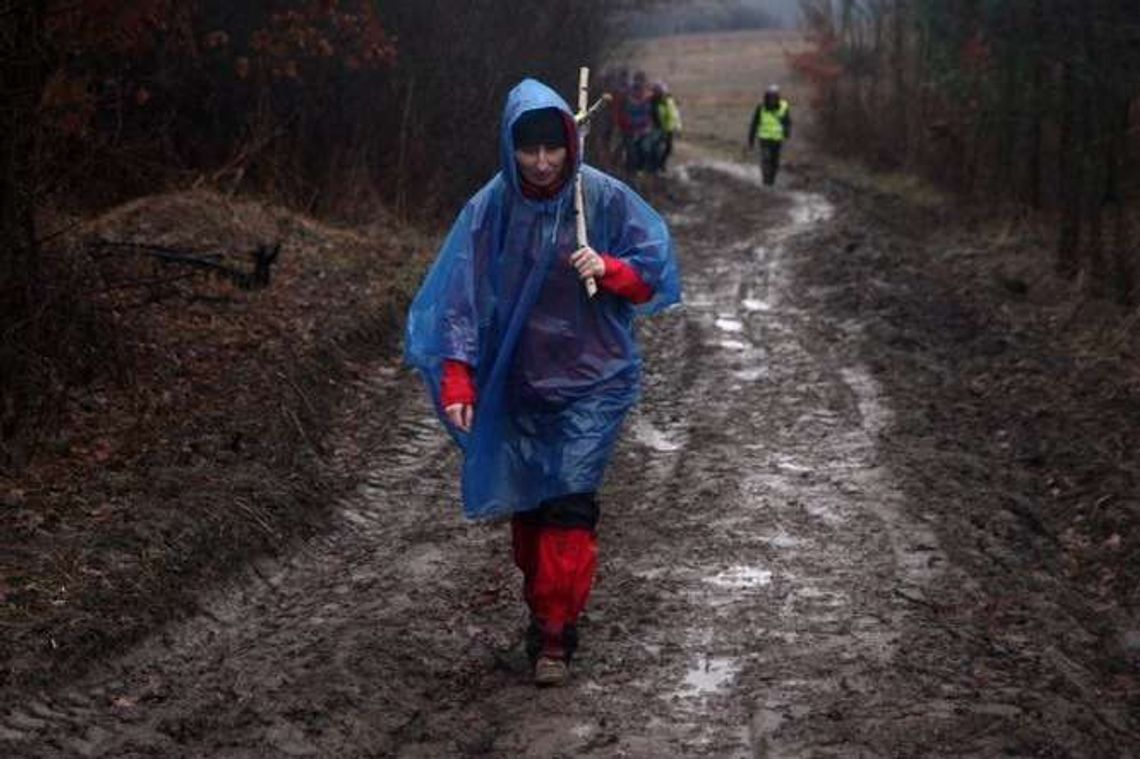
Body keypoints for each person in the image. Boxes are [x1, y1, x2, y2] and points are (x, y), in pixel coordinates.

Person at [404, 78, 681, 687]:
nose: (542, 162)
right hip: (519, 380)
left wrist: (608, 268)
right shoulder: (490, 209)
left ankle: (556, 633)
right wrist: (457, 378)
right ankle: (542, 608)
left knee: (569, 504)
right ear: (510, 147)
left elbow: (652, 275)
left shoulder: (601, 199)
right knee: (529, 511)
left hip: (593, 381)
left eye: (552, 148)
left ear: (568, 143)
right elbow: (459, 301)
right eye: (528, 150)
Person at [747, 83, 792, 186]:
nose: (772, 99)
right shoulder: (761, 107)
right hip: (764, 139)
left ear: (777, 96)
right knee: (766, 159)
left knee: (775, 162)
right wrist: (751, 139)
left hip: (777, 139)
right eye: (770, 96)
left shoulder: (783, 106)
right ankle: (766, 180)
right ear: (766, 96)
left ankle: (771, 180)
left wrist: (787, 132)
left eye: (774, 96)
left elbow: (787, 121)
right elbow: (754, 123)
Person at [614, 70, 657, 174]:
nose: (640, 83)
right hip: (628, 127)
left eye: (642, 80)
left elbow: (648, 112)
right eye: (638, 80)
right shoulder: (627, 94)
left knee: (641, 150)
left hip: (641, 128)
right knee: (630, 151)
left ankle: (637, 171)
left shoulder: (646, 95)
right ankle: (628, 172)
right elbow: (621, 110)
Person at [650, 81, 682, 173]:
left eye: (661, 91)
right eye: (658, 91)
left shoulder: (669, 100)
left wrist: (678, 126)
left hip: (669, 128)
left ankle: (661, 165)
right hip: (658, 129)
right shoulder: (653, 102)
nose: (661, 93)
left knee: (668, 148)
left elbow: (675, 114)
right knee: (657, 149)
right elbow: (654, 116)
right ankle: (656, 167)